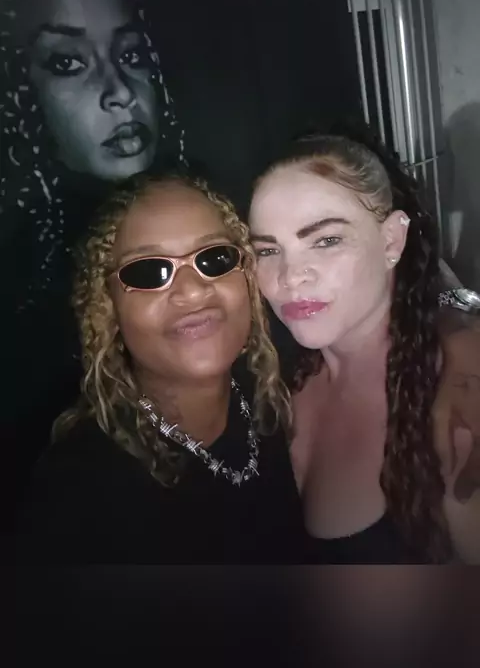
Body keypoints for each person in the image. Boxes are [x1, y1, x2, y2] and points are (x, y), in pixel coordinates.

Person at [17, 173, 305, 563]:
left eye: (214, 259)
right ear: (109, 308)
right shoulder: (77, 492)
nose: (193, 291)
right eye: (149, 271)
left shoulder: (282, 400)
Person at [0, 0, 186, 513]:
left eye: (130, 55)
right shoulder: (23, 290)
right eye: (67, 63)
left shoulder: (212, 212)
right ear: (20, 92)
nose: (119, 91)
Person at [249, 128, 480, 563]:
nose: (291, 276)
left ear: (391, 240)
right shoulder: (280, 372)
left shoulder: (457, 403)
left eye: (326, 240)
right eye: (267, 250)